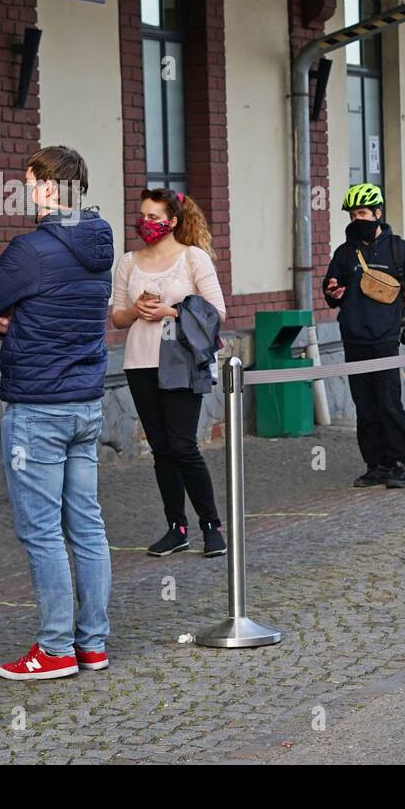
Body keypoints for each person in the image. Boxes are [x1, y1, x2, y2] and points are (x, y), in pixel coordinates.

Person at [0, 146, 114, 680]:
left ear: (51, 189)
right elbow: (64, 311)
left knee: (42, 530)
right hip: (86, 404)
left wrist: (9, 318)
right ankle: (92, 644)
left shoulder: (31, 250)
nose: (26, 194)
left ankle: (54, 649)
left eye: (30, 184)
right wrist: (19, 320)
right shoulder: (101, 243)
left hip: (38, 408)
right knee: (88, 526)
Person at [111, 188, 227, 558]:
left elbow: (217, 312)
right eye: (142, 216)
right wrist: (138, 310)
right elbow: (116, 317)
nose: (146, 224)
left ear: (173, 221)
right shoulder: (129, 262)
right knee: (161, 449)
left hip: (180, 361)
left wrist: (171, 312)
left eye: (154, 218)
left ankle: (211, 526)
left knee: (183, 445)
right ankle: (176, 527)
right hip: (139, 361)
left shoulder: (193, 258)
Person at [323, 182, 405, 488]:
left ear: (377, 213)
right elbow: (332, 292)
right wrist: (333, 290)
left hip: (385, 337)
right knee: (364, 404)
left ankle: (400, 462)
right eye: (352, 214)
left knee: (388, 402)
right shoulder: (345, 253)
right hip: (353, 337)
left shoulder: (399, 250)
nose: (356, 219)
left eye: (362, 212)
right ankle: (375, 463)